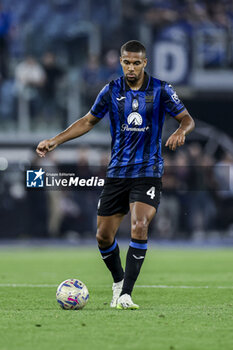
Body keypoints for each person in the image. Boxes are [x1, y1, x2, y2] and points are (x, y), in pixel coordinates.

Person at [36, 40, 195, 310]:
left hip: (148, 171)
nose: (131, 67)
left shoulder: (161, 90)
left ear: (145, 63)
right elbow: (88, 121)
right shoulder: (111, 90)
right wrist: (56, 140)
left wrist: (181, 130)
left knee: (139, 225)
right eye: (126, 62)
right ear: (121, 62)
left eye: (136, 63)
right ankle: (118, 282)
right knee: (103, 236)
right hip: (117, 173)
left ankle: (126, 295)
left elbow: (187, 119)